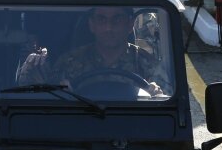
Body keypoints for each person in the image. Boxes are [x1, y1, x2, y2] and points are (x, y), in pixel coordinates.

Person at [17, 6, 168, 97]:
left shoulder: (148, 64)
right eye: (101, 19)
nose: (108, 27)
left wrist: (156, 95)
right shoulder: (68, 62)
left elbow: (168, 107)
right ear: (91, 25)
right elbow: (48, 107)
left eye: (117, 19)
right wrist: (61, 93)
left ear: (129, 25)